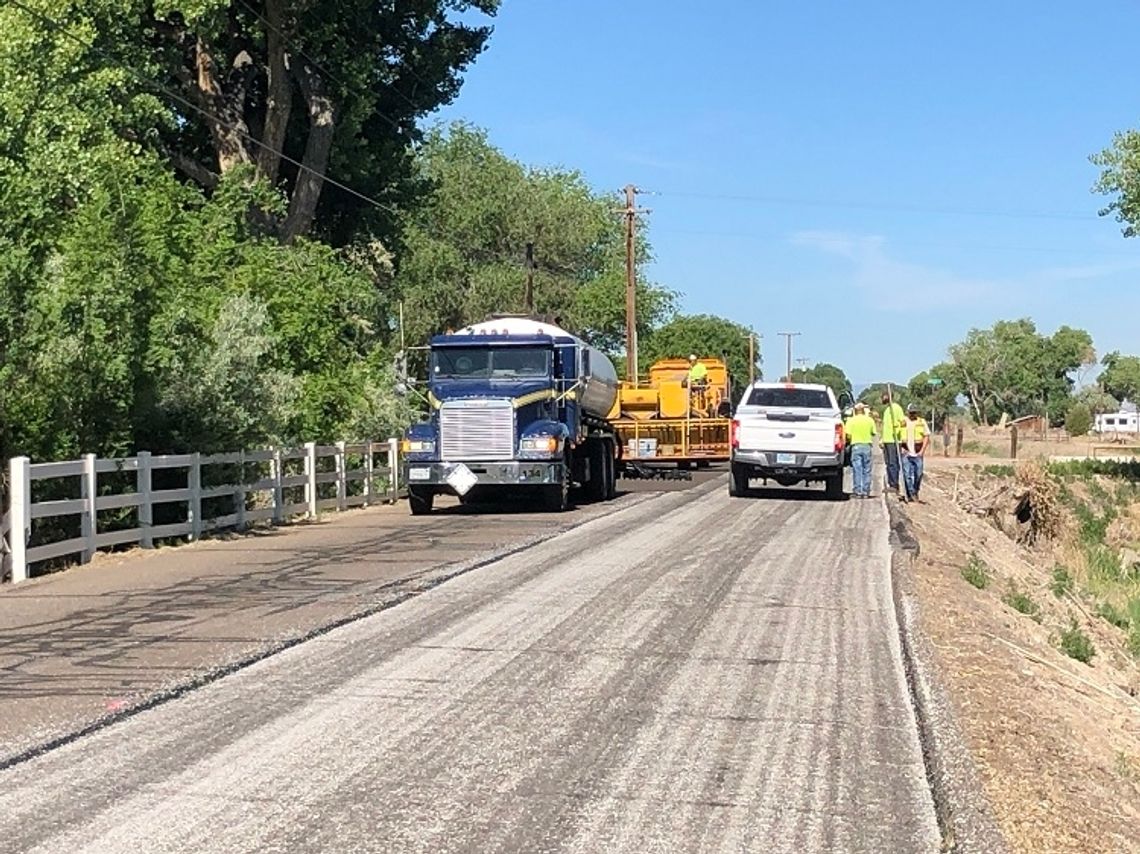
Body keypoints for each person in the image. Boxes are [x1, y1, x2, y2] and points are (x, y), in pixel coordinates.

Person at [844, 402, 877, 498]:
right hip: (867, 446)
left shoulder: (851, 421)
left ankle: (858, 491)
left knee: (857, 469)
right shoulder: (869, 420)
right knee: (866, 470)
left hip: (856, 446)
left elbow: (848, 435)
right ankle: (866, 492)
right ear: (863, 410)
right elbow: (874, 433)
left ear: (855, 411)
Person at [898, 402, 929, 502]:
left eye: (914, 413)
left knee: (918, 474)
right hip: (906, 453)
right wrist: (901, 448)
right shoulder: (902, 422)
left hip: (918, 453)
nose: (912, 415)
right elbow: (896, 435)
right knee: (907, 475)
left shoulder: (921, 422)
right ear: (908, 412)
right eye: (911, 413)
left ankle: (915, 490)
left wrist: (922, 451)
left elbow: (926, 436)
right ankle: (911, 494)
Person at [880, 392, 905, 494]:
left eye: (883, 397)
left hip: (893, 441)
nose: (882, 399)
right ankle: (891, 484)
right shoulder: (886, 410)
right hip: (887, 440)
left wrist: (898, 431)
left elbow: (903, 422)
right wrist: (882, 439)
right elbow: (885, 426)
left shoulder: (896, 408)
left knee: (893, 463)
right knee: (888, 463)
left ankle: (894, 485)